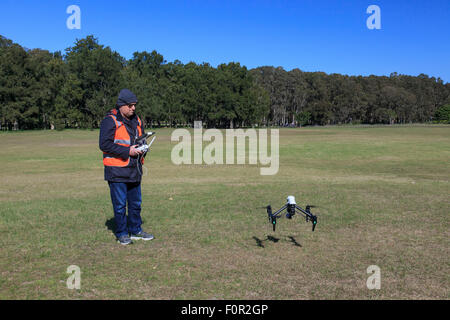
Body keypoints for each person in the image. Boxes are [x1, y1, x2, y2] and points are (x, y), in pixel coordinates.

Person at [99, 89, 154, 245]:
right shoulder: (110, 120)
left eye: (134, 105)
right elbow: (104, 144)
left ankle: (136, 230)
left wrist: (143, 148)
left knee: (136, 203)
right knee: (120, 204)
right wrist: (127, 150)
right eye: (130, 105)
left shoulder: (137, 120)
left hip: (134, 168)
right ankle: (122, 234)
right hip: (116, 170)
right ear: (121, 105)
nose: (133, 108)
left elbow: (140, 138)